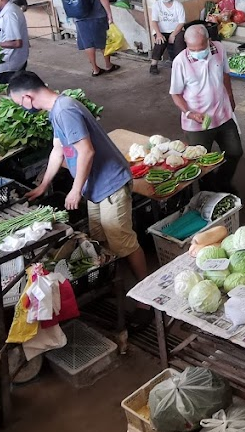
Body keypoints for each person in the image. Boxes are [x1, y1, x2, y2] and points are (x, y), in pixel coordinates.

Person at [14, 72, 147, 285]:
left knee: (123, 241)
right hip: (93, 186)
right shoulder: (57, 109)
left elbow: (86, 152)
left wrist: (75, 190)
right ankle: (117, 282)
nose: (23, 107)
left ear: (27, 97)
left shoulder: (65, 111)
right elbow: (58, 151)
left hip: (110, 184)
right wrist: (43, 186)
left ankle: (144, 294)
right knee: (101, 237)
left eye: (19, 102)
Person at [168, 23, 242, 194]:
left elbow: (225, 74)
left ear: (209, 41)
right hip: (197, 121)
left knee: (234, 152)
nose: (197, 52)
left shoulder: (219, 49)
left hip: (223, 114)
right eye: (192, 49)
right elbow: (176, 94)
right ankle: (207, 192)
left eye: (201, 47)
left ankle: (222, 182)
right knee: (201, 161)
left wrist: (230, 97)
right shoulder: (180, 62)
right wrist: (189, 113)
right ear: (187, 45)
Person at [61, 0, 120, 77]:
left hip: (78, 16)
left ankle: (95, 69)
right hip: (97, 15)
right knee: (103, 41)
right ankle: (108, 65)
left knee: (87, 42)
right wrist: (109, 14)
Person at [149, 0, 186, 75]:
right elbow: (154, 21)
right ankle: (153, 65)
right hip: (161, 31)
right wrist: (158, 34)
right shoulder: (157, 5)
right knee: (160, 41)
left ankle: (178, 64)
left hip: (176, 31)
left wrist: (173, 34)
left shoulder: (178, 5)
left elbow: (181, 22)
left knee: (179, 41)